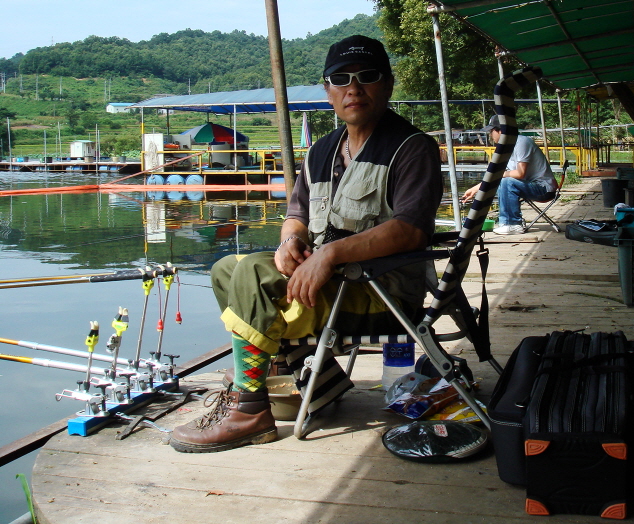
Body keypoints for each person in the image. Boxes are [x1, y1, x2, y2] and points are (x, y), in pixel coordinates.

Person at [170, 35, 443, 453]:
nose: (354, 88)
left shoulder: (411, 148)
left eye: (367, 76)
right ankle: (312, 381)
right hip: (330, 283)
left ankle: (250, 409)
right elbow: (295, 215)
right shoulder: (320, 151)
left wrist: (330, 254)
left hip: (378, 291)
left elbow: (410, 230)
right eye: (341, 79)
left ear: (387, 84)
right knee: (226, 268)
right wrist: (291, 243)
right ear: (327, 90)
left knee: (254, 276)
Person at [461, 114, 556, 235]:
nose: (491, 135)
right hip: (529, 186)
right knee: (503, 181)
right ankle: (505, 221)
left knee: (506, 181)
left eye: (492, 131)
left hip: (543, 189)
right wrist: (474, 189)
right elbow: (495, 175)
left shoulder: (521, 142)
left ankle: (512, 224)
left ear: (501, 131)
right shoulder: (506, 147)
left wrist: (501, 174)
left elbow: (520, 173)